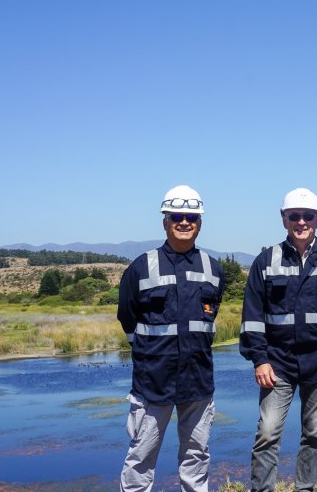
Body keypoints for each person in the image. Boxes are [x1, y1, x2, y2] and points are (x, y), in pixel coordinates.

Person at [240, 187, 317, 492]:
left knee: (315, 435)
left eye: (308, 216)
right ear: (284, 219)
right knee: (267, 433)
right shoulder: (266, 260)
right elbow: (252, 314)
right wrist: (259, 359)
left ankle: (305, 488)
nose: (301, 222)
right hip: (277, 364)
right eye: (294, 216)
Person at [117, 184, 225, 492]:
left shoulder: (213, 269)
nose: (184, 222)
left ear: (200, 222)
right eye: (177, 215)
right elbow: (127, 316)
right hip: (153, 382)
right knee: (141, 458)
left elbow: (209, 316)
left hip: (198, 382)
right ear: (165, 220)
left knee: (197, 457)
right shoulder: (141, 266)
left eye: (191, 216)